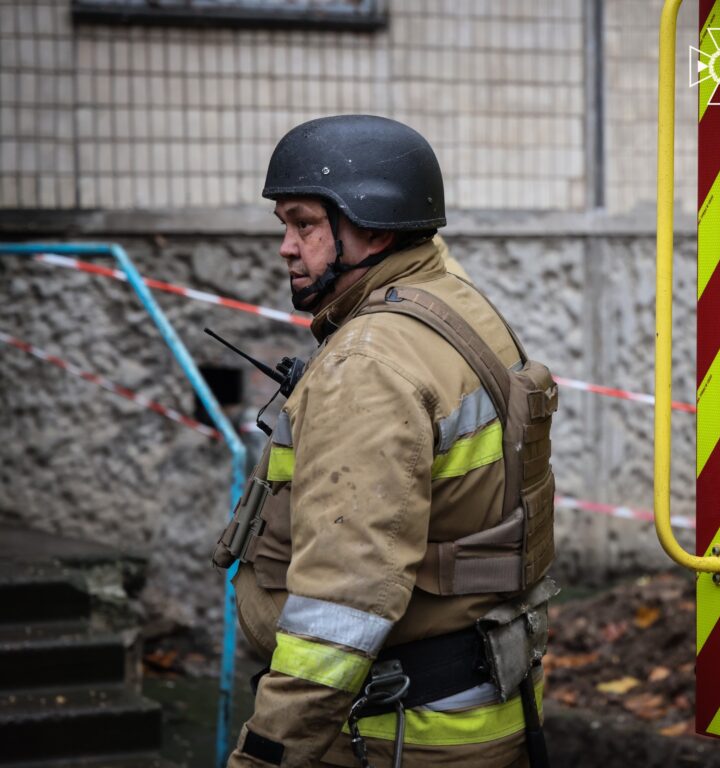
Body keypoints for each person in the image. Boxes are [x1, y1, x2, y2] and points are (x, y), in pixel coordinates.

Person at [213, 115, 558, 768]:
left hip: (394, 730)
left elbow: (339, 612)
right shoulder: (454, 302)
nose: (286, 247)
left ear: (374, 228)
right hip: (480, 704)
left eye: (304, 225)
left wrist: (263, 757)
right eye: (285, 225)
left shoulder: (369, 367)